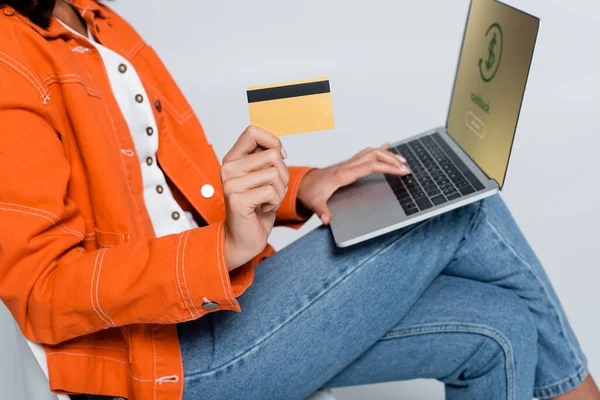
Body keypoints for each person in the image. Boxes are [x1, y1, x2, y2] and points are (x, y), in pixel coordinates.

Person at [0, 1, 597, 399]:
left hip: (222, 305)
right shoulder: (11, 57)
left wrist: (303, 187)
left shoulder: (99, 22)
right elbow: (43, 291)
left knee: (501, 329)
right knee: (465, 205)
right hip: (167, 362)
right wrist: (220, 250)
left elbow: (182, 187)